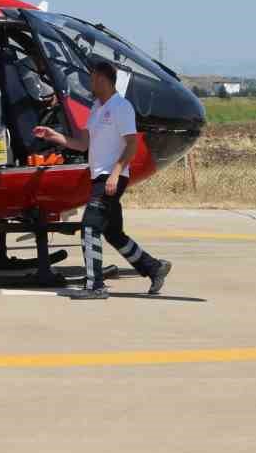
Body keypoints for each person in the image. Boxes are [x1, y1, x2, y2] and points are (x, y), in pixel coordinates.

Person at [34, 60, 172, 299]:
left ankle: (95, 285)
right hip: (99, 175)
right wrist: (55, 136)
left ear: (102, 79)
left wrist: (116, 173)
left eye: (92, 78)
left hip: (111, 177)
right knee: (114, 233)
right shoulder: (97, 107)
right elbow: (83, 144)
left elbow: (131, 144)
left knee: (89, 227)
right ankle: (154, 268)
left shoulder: (122, 107)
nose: (90, 83)